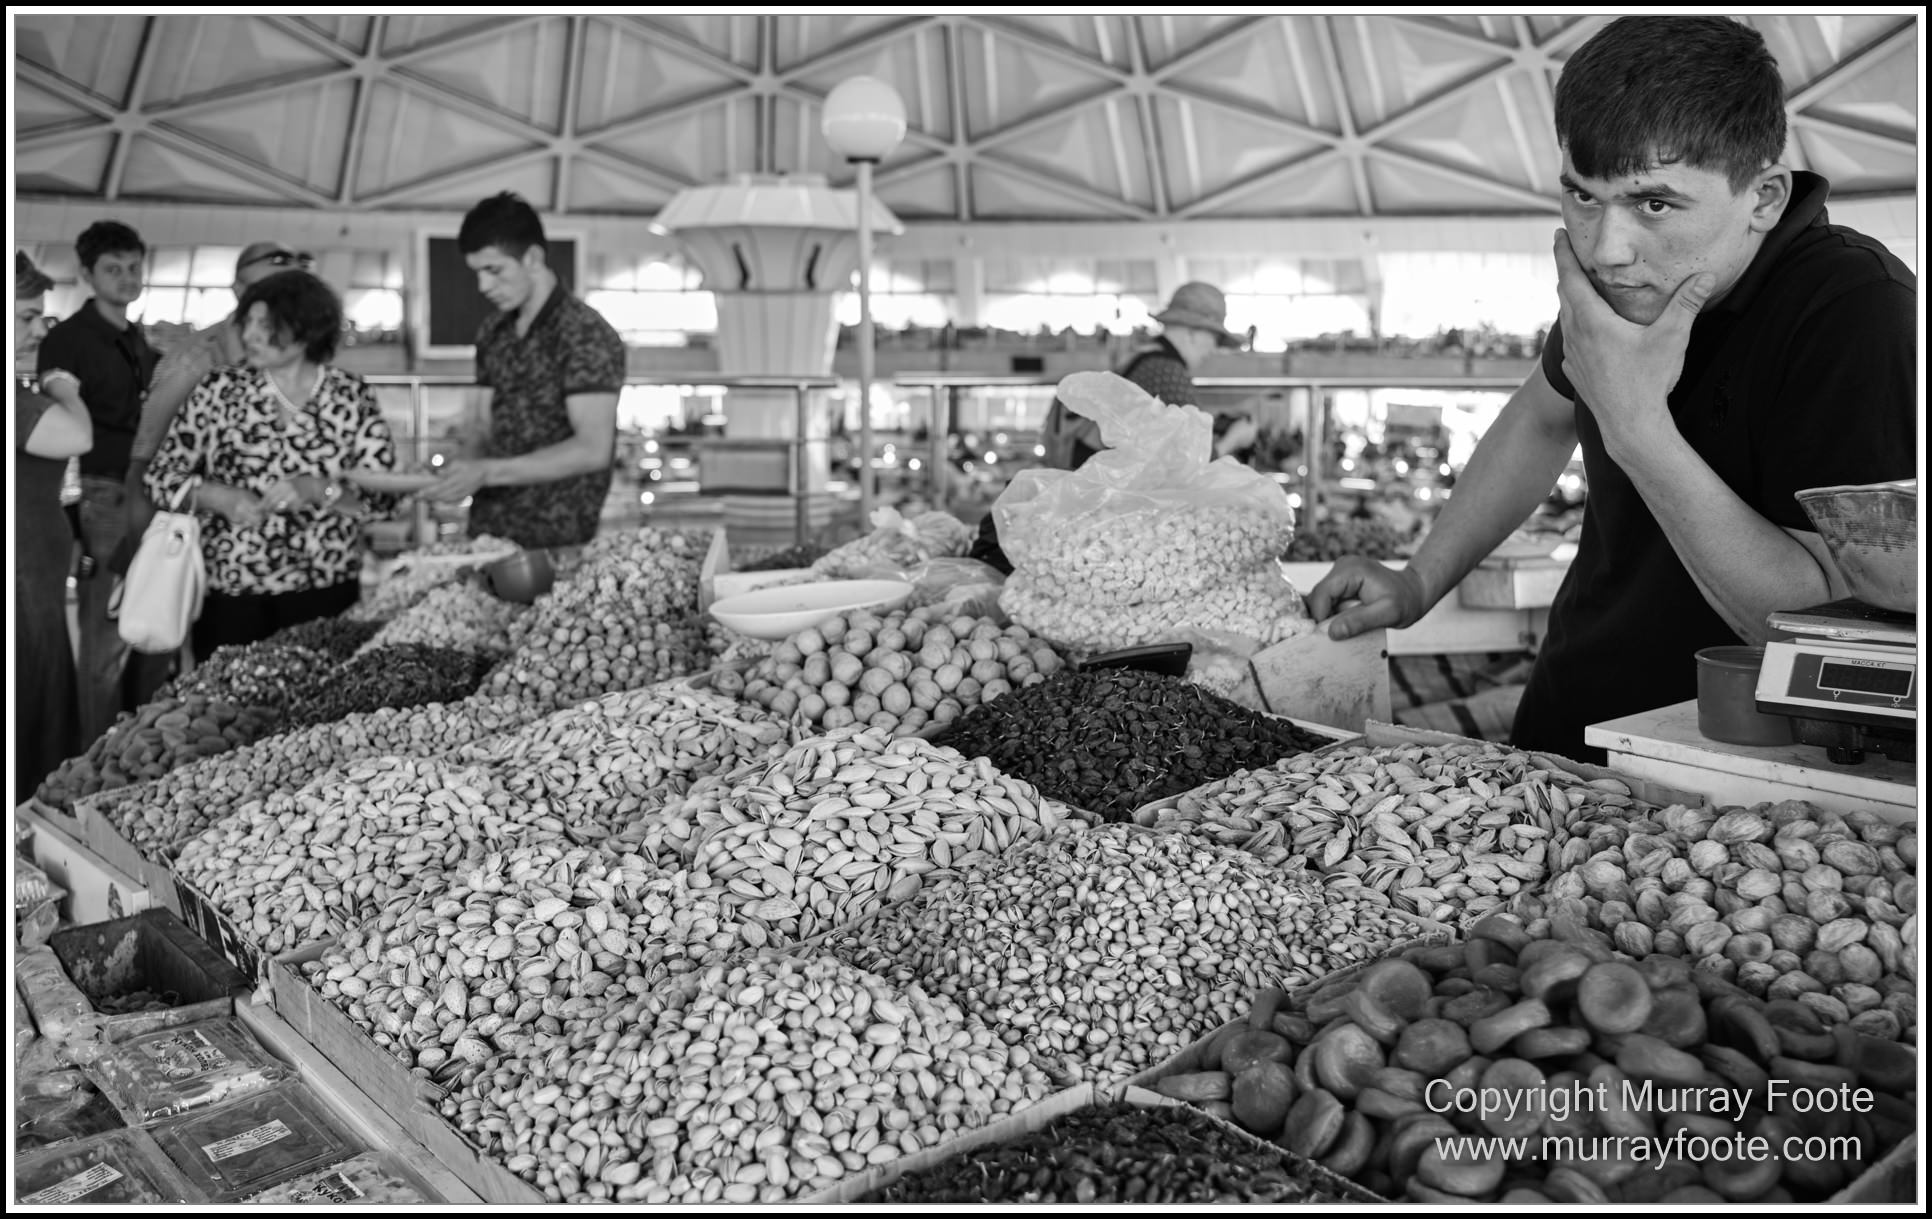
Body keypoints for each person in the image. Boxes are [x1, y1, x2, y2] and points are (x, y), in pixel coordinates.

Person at [1307, 16, 1917, 765]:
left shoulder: (1857, 309)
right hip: (1568, 716)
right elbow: (1540, 418)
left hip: (1748, 767)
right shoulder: (1623, 279)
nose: (1606, 249)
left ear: (1763, 197)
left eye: (1653, 204)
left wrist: (1637, 429)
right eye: (1582, 197)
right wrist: (1417, 581)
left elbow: (1813, 624)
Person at [143, 271, 400, 658]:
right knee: (225, 693)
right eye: (247, 323)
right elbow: (160, 479)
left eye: (266, 325)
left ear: (306, 329)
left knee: (325, 690)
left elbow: (383, 499)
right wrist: (218, 497)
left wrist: (320, 489)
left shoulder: (350, 394)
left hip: (325, 588)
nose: (250, 335)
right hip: (231, 589)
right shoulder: (220, 390)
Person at [969, 282, 1260, 572]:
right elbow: (1187, 464)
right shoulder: (1168, 371)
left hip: (1092, 501)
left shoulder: (1141, 357)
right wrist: (1232, 441)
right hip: (1111, 515)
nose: (1214, 350)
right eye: (1214, 339)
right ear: (1193, 332)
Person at [420, 192, 626, 549]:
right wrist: (458, 471)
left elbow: (593, 449)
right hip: (488, 531)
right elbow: (480, 425)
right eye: (477, 273)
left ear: (532, 258)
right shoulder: (493, 331)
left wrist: (486, 472)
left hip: (557, 539)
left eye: (494, 270)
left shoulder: (585, 333)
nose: (483, 286)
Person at [35, 220, 166, 746]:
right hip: (102, 495)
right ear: (87, 274)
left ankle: (144, 746)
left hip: (150, 496)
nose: (127, 278)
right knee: (106, 635)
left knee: (152, 624)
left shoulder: (138, 340)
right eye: (114, 269)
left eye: (134, 267)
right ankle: (97, 755)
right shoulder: (66, 341)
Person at [116, 241, 313, 572]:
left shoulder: (301, 363)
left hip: (277, 555)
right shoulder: (194, 363)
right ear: (239, 292)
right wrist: (147, 561)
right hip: (205, 550)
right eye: (268, 291)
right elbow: (147, 465)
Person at [14, 252, 91, 801]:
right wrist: (63, 386)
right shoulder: (18, 403)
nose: (40, 329)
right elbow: (77, 435)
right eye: (26, 316)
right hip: (21, 574)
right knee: (32, 698)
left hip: (33, 569)